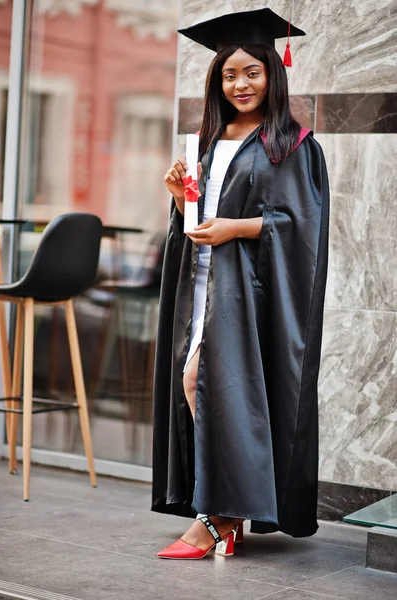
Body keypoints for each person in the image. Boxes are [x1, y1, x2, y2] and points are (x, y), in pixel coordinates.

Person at [152, 7, 330, 560]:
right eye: (229, 75)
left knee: (199, 383)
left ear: (272, 74)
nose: (240, 84)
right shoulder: (212, 138)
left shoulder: (293, 144)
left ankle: (219, 519)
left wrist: (237, 229)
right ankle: (224, 513)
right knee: (196, 383)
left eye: (251, 72)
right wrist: (181, 197)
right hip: (202, 287)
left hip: (247, 295)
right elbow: (197, 221)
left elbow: (300, 227)